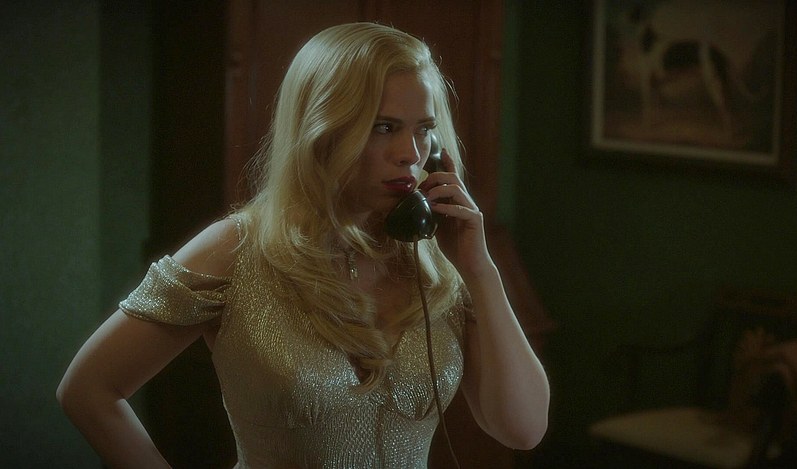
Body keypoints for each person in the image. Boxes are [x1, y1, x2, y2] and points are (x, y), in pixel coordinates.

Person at [57, 22, 550, 468]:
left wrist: (480, 270)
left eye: (424, 130)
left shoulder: (440, 263)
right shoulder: (237, 249)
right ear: (323, 129)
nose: (410, 154)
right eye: (383, 127)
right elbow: (88, 390)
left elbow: (523, 430)